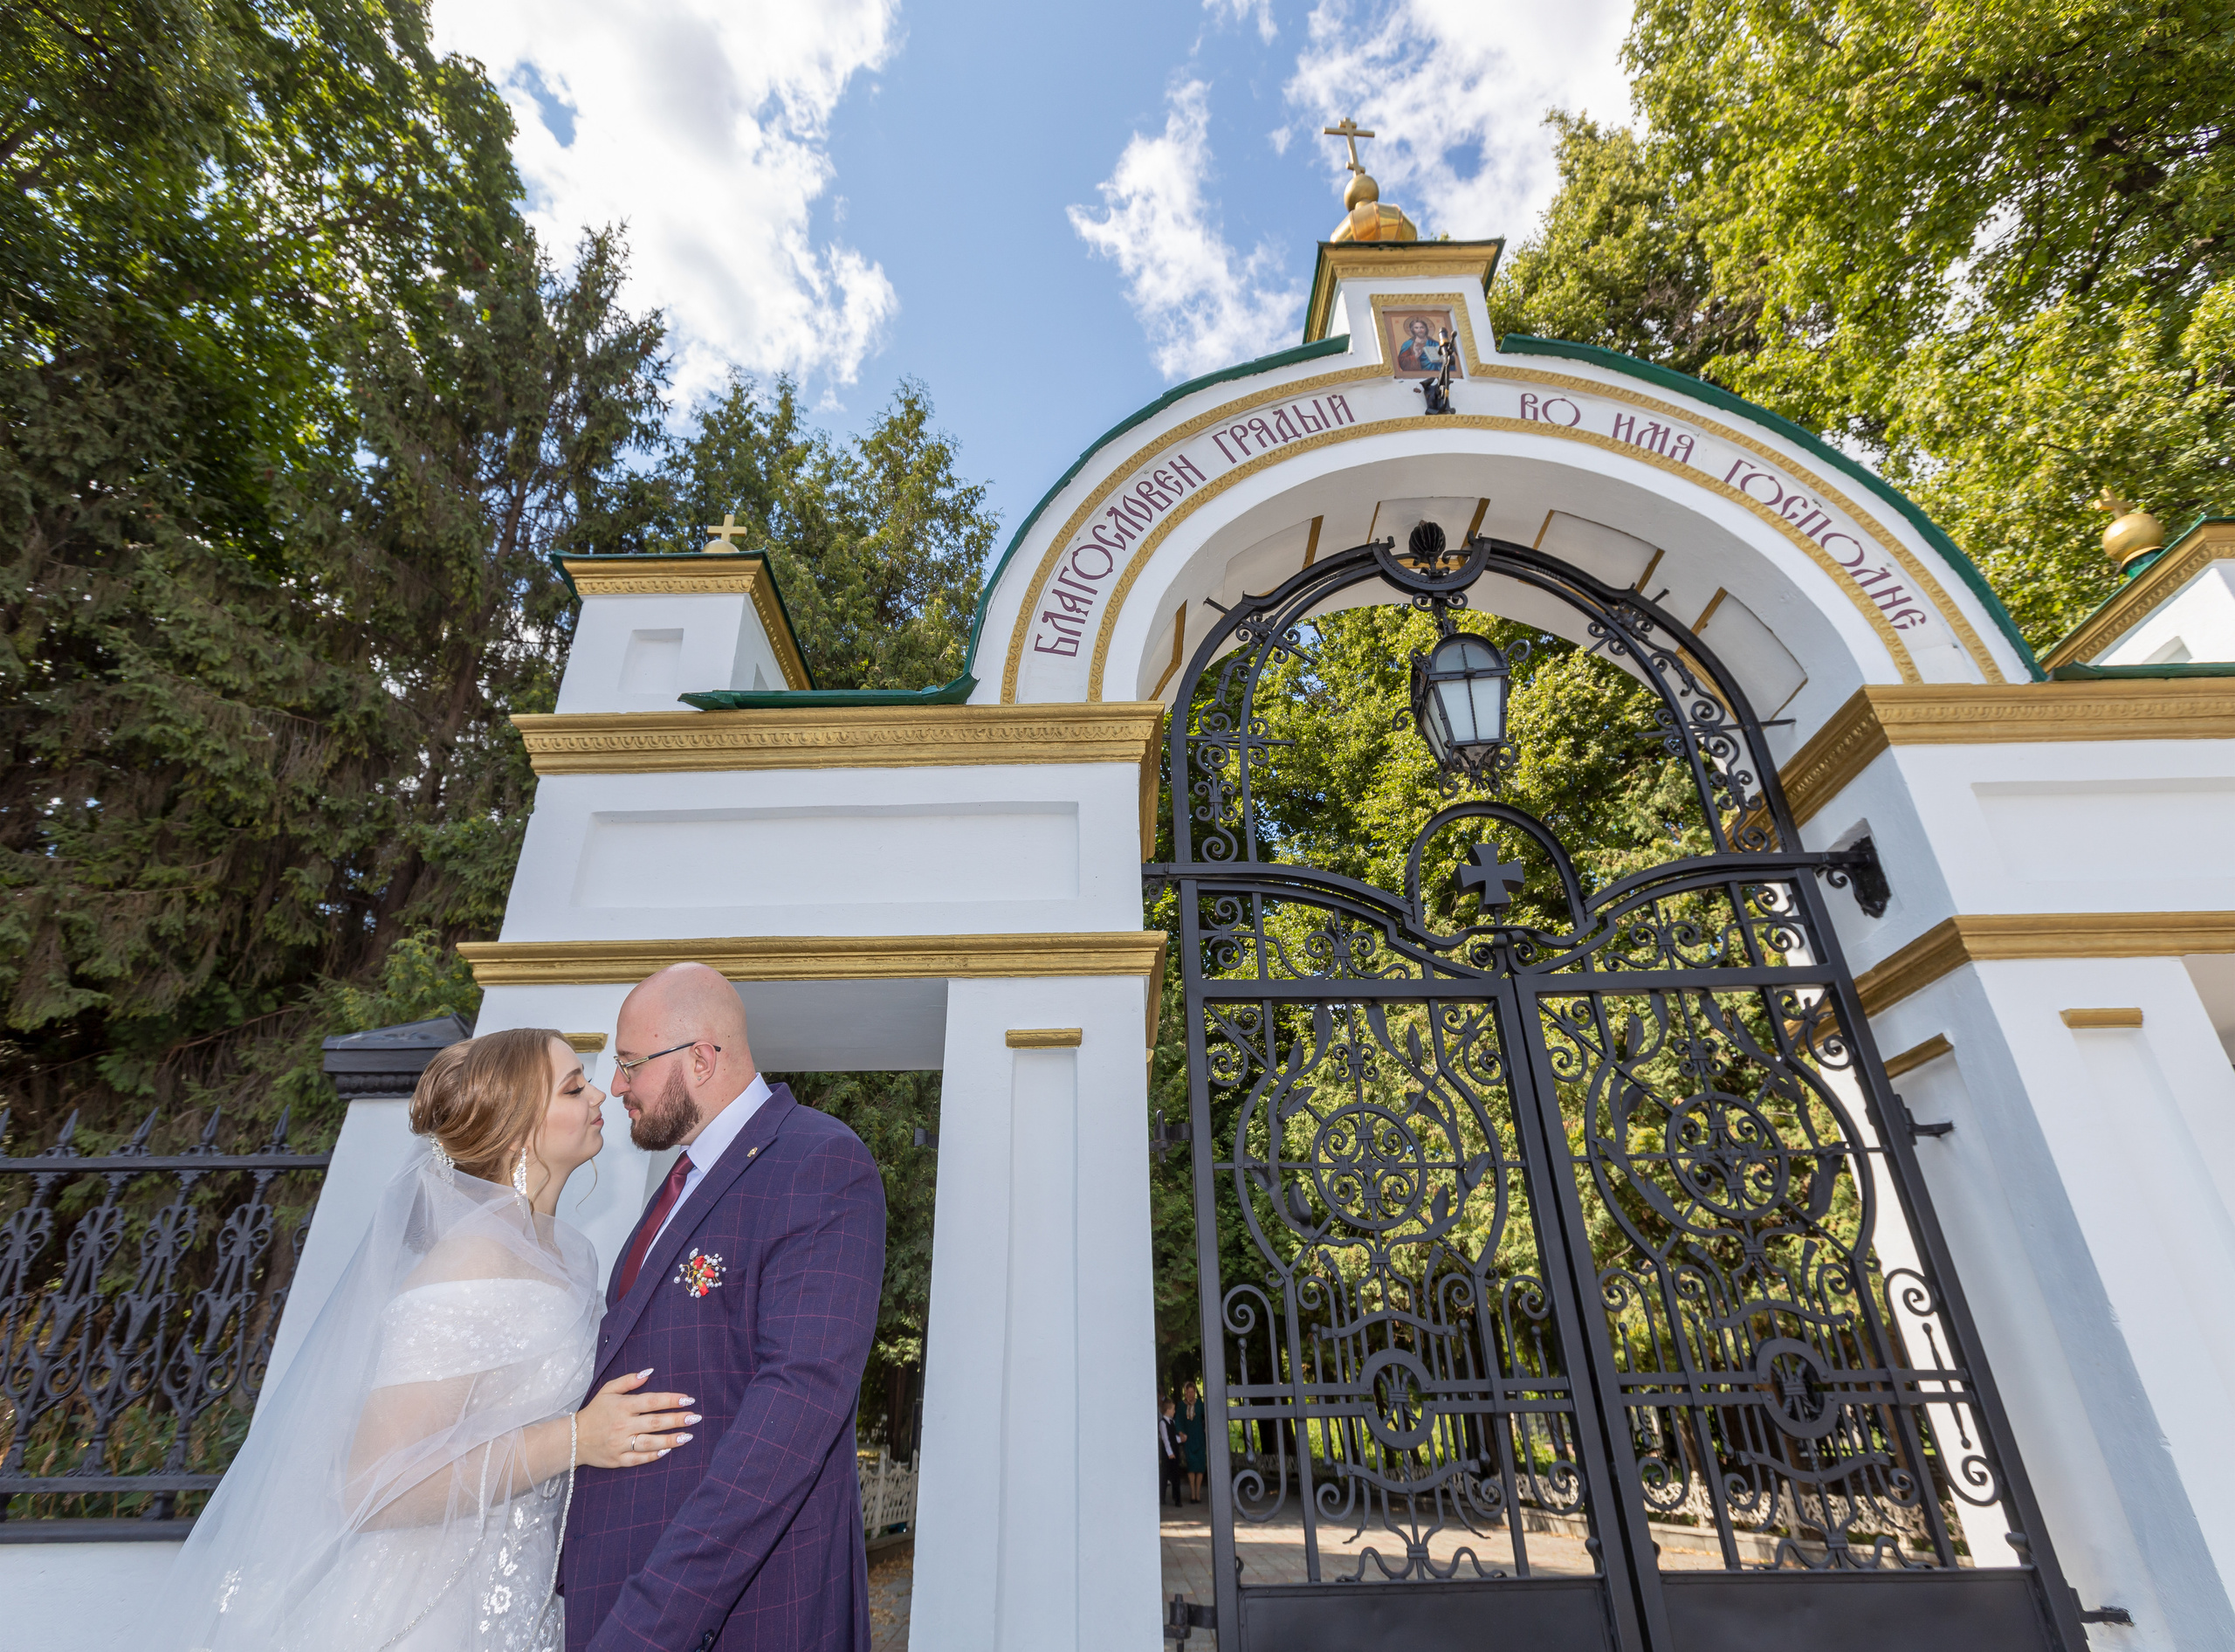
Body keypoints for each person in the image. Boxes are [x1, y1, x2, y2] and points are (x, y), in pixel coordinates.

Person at [133, 1029, 693, 1651]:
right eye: (572, 1087)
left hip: (526, 1592)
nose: (598, 1095)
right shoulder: (469, 1261)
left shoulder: (571, 1254)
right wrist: (577, 1438)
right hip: (429, 1605)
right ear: (514, 1127)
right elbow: (374, 1486)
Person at [560, 962, 887, 1652]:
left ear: (701, 1060)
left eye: (629, 1064)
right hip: (611, 1586)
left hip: (728, 1615)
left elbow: (793, 1414)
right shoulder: (680, 1184)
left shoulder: (818, 1161)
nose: (616, 1086)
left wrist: (654, 1619)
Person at [1178, 1380, 1209, 1504]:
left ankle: (1198, 1494)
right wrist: (1180, 1433)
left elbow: (1207, 1416)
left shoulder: (1200, 1404)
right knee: (1191, 1466)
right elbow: (1178, 1421)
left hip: (1199, 1438)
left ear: (1194, 1392)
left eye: (1192, 1392)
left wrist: (1206, 1427)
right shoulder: (1181, 1405)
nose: (1190, 1394)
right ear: (1185, 1392)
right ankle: (1192, 1494)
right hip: (1188, 1439)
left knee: (1200, 1467)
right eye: (1188, 1392)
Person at [1159, 1397, 1186, 1508]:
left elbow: (1173, 1438)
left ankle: (1177, 1499)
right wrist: (1169, 1452)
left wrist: (1181, 1439)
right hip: (1167, 1454)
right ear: (1168, 1410)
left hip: (1174, 1452)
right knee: (1164, 1476)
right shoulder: (1162, 1423)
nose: (1174, 1411)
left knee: (1176, 1476)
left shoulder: (1173, 1422)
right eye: (1173, 1409)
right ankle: (1162, 1498)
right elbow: (1166, 1439)